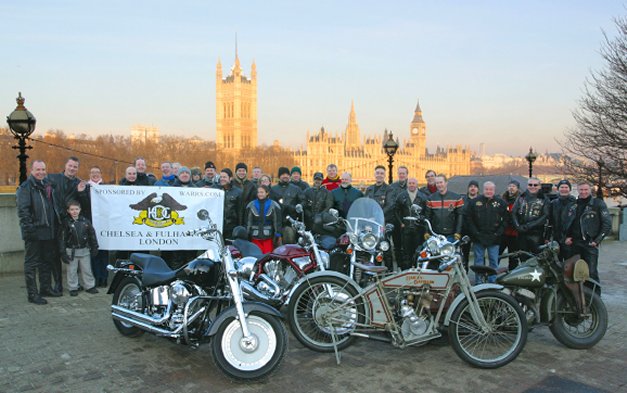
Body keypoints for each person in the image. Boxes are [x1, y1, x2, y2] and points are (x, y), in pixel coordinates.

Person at [16, 160, 62, 304]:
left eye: (43, 169)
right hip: (34, 232)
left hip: (48, 231)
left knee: (46, 262)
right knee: (31, 264)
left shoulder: (48, 185)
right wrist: (30, 231)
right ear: (31, 170)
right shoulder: (25, 187)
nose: (41, 172)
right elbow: (23, 212)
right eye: (38, 169)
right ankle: (32, 294)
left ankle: (45, 288)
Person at [565, 181, 612, 284]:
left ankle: (594, 298)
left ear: (590, 190)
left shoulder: (598, 204)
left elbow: (607, 224)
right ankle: (578, 298)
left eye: (586, 189)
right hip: (575, 243)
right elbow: (568, 223)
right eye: (581, 189)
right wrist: (567, 236)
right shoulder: (574, 205)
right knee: (574, 273)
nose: (583, 192)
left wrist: (597, 240)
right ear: (577, 190)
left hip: (590, 243)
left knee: (591, 273)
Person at [47, 156, 82, 293]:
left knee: (71, 253)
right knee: (55, 253)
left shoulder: (79, 183)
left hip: (70, 222)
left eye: (75, 167)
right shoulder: (53, 178)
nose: (72, 168)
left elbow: (83, 203)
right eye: (70, 166)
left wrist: (81, 192)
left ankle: (74, 283)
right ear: (65, 166)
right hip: (54, 220)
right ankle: (57, 283)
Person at [466, 181, 507, 284]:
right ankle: (479, 282)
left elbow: (506, 220)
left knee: (493, 261)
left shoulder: (501, 203)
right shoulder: (474, 202)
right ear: (483, 190)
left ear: (494, 190)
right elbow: (469, 219)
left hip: (494, 238)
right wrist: (475, 233)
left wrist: (498, 233)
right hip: (478, 237)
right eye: (486, 189)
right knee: (478, 262)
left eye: (491, 189)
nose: (488, 191)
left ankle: (492, 282)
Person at [77, 165, 109, 287]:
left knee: (104, 253)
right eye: (92, 172)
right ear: (89, 175)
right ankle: (95, 277)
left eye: (97, 172)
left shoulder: (107, 187)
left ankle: (104, 278)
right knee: (93, 253)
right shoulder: (85, 188)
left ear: (101, 174)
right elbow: (84, 206)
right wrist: (81, 193)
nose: (95, 174)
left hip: (105, 224)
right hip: (90, 224)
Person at [59, 200, 99, 296]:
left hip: (84, 250)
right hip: (71, 251)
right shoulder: (66, 223)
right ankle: (73, 287)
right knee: (71, 271)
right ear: (68, 211)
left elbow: (92, 235)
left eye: (76, 209)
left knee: (87, 269)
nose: (74, 211)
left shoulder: (85, 221)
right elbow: (62, 239)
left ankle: (89, 286)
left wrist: (94, 247)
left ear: (80, 210)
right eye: (72, 209)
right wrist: (63, 253)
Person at [394, 177, 428, 269]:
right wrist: (401, 222)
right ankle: (407, 270)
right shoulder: (401, 196)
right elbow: (396, 211)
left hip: (418, 228)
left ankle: (418, 269)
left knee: (418, 251)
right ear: (407, 184)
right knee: (406, 251)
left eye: (413, 183)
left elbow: (427, 212)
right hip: (406, 228)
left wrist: (423, 222)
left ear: (417, 184)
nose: (412, 185)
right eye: (410, 183)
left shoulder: (423, 197)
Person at [512, 177, 549, 257]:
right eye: (530, 184)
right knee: (522, 256)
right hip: (521, 233)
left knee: (537, 258)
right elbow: (514, 212)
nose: (533, 187)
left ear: (539, 186)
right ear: (527, 186)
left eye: (535, 185)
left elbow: (545, 216)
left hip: (536, 234)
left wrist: (529, 226)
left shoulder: (544, 199)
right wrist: (517, 226)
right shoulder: (521, 197)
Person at [424, 175, 464, 242]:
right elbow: (427, 216)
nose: (439, 185)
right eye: (437, 183)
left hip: (451, 234)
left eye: (441, 182)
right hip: (435, 234)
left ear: (446, 183)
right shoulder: (431, 198)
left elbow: (460, 216)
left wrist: (458, 232)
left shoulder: (456, 198)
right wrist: (426, 231)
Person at [270, 167, 303, 244]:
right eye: (283, 174)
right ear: (279, 176)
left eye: (287, 174)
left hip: (292, 221)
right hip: (277, 221)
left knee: (289, 237)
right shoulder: (273, 189)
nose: (285, 176)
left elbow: (302, 201)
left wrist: (297, 207)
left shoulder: (296, 189)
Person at [246, 185, 282, 253]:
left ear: (267, 193)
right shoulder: (251, 205)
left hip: (268, 237)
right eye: (258, 192)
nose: (260, 194)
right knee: (257, 254)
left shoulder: (274, 205)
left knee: (268, 255)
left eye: (262, 192)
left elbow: (277, 221)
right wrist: (247, 233)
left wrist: (278, 234)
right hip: (255, 236)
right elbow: (248, 221)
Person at [549, 179, 577, 260]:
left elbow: (577, 223)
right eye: (562, 187)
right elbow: (550, 221)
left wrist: (572, 237)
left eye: (566, 187)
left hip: (569, 239)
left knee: (569, 264)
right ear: (558, 189)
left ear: (570, 189)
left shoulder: (575, 204)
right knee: (556, 262)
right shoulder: (553, 203)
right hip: (556, 238)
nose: (564, 189)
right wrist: (548, 237)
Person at [500, 180, 522, 270]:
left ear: (517, 188)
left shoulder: (520, 200)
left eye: (513, 186)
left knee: (513, 256)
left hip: (514, 233)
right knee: (497, 254)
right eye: (510, 186)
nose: (511, 188)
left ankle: (512, 273)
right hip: (503, 232)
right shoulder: (502, 199)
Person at [460, 180, 480, 271]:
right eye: (471, 186)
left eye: (475, 187)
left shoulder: (481, 200)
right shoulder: (462, 200)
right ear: (468, 189)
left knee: (479, 255)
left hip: (477, 231)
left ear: (478, 189)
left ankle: (479, 275)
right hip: (465, 231)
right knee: (464, 254)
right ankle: (464, 273)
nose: (473, 188)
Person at [218, 168, 242, 239]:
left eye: (224, 177)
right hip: (218, 226)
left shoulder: (238, 192)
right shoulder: (216, 190)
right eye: (221, 177)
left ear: (230, 178)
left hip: (232, 227)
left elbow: (240, 212)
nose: (222, 179)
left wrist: (240, 226)